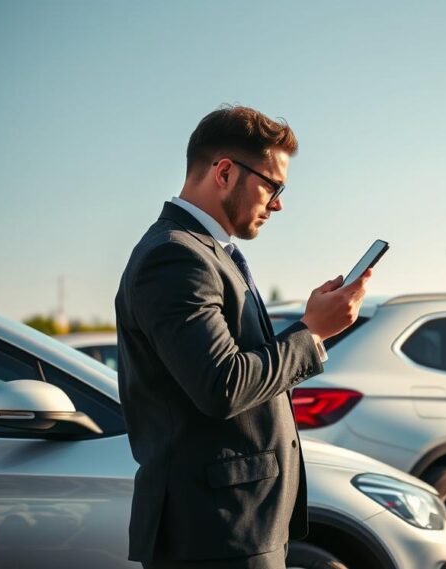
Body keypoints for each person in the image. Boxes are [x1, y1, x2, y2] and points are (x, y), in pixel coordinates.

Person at [115, 105, 369, 568]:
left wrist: (308, 324)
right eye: (273, 185)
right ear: (226, 172)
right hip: (214, 534)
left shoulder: (209, 253)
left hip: (238, 526)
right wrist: (312, 334)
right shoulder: (173, 258)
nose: (279, 204)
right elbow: (223, 385)